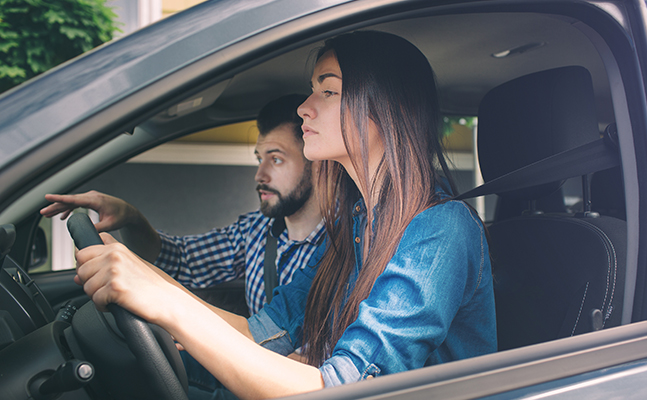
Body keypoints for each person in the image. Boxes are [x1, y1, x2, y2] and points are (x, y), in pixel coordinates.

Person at [71, 31, 497, 399]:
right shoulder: (355, 228)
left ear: (386, 110)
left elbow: (345, 390)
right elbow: (262, 333)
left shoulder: (441, 229)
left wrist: (167, 303)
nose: (304, 108)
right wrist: (139, 276)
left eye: (327, 91)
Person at [41, 94, 325, 316]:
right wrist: (131, 217)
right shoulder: (257, 230)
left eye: (275, 159)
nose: (259, 175)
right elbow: (180, 260)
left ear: (317, 164)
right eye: (258, 158)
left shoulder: (344, 246)